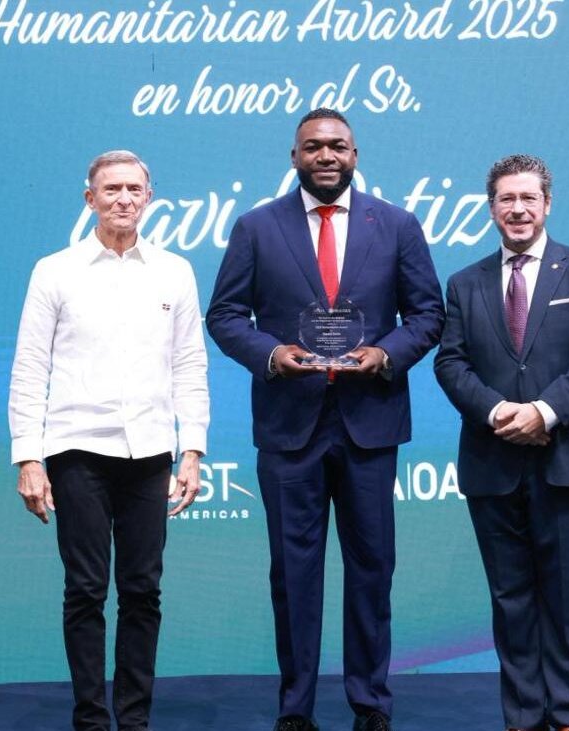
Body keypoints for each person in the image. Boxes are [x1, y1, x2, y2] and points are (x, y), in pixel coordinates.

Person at [206, 109, 444, 731]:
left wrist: (387, 353)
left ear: (355, 154)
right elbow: (224, 316)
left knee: (372, 567)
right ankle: (296, 708)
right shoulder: (257, 227)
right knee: (293, 572)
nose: (326, 155)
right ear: (294, 157)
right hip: (289, 424)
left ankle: (371, 703)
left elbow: (428, 315)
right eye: (313, 146)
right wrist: (270, 354)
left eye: (338, 145)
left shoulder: (397, 225)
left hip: (370, 422)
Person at [8, 150, 208, 731]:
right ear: (89, 198)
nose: (123, 199)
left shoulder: (175, 271)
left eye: (134, 189)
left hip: (150, 453)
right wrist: (28, 457)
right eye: (112, 189)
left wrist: (192, 449)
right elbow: (30, 367)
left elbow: (190, 365)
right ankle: (92, 720)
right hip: (76, 452)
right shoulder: (55, 271)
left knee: (143, 591)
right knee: (86, 590)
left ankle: (135, 719)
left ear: (149, 198)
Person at [433, 154, 569, 731]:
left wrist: (544, 411)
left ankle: (568, 715)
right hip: (492, 460)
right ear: (491, 208)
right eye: (506, 199)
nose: (518, 209)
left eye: (528, 198)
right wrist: (497, 411)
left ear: (547, 205)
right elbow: (450, 362)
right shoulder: (464, 283)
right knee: (510, 599)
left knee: (565, 598)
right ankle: (521, 716)